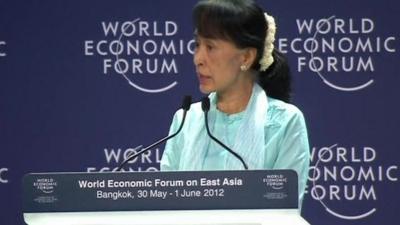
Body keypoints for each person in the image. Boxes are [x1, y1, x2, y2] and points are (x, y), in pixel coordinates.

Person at [160, 0, 310, 208]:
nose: (198, 59)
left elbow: (283, 213)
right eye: (197, 45)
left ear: (246, 57)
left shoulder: (285, 122)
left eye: (210, 47)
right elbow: (166, 207)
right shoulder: (185, 120)